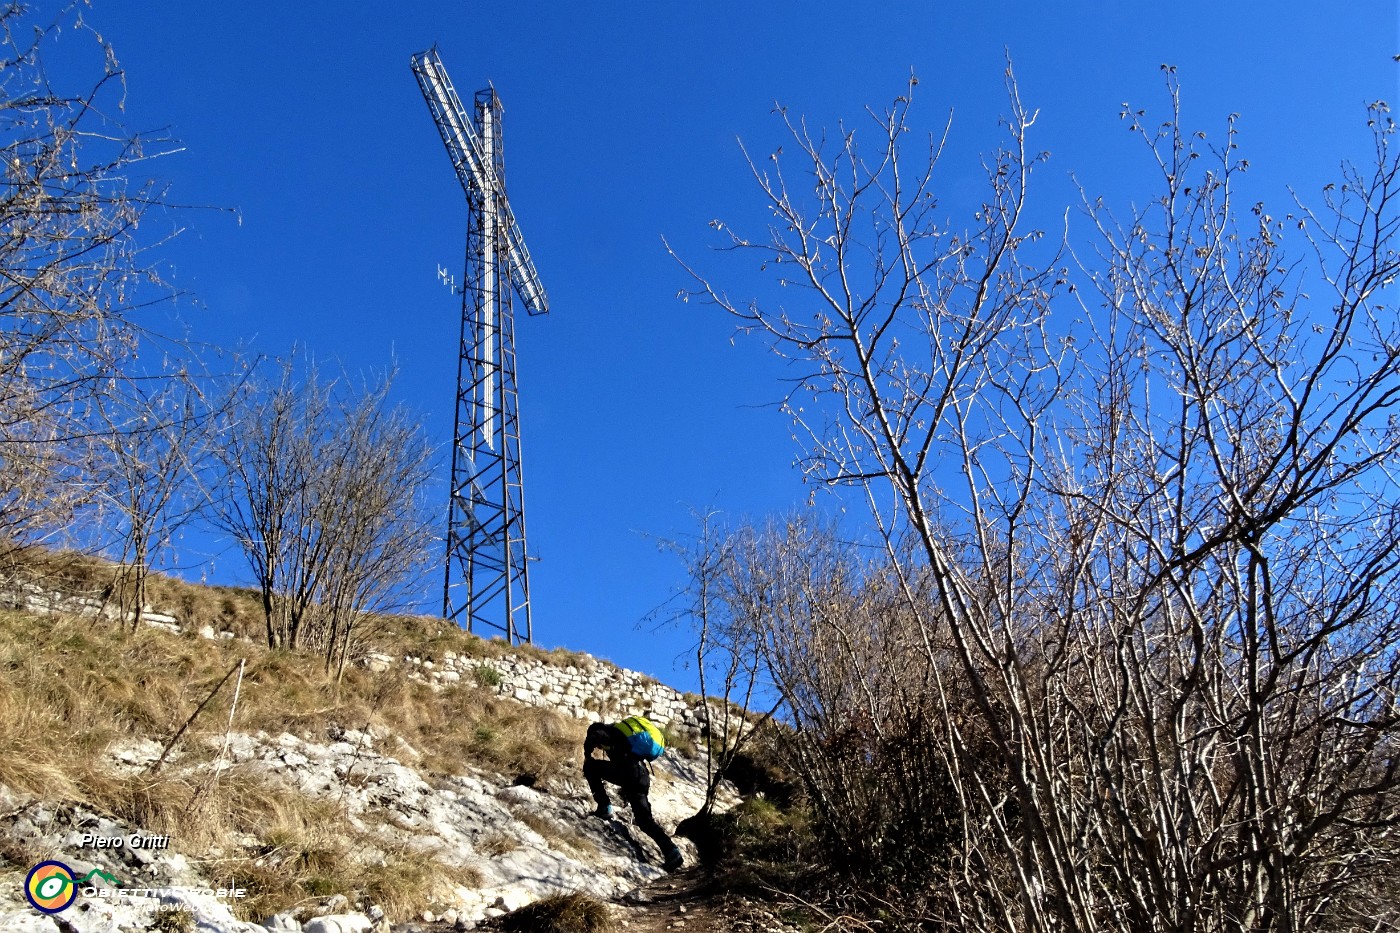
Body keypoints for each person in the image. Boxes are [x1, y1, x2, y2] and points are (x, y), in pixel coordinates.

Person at [584, 718, 684, 872]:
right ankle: (672, 852)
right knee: (644, 822)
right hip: (641, 777)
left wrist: (587, 750)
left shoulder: (610, 731)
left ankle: (604, 806)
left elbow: (597, 734)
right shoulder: (625, 741)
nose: (599, 747)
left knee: (590, 767)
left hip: (628, 773)